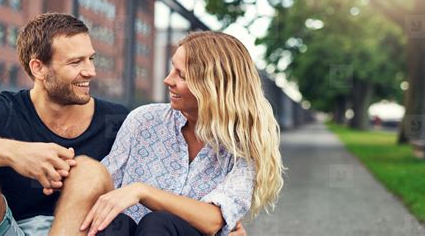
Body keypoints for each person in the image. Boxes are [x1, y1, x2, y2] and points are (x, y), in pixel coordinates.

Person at [80, 31, 284, 236]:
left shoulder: (242, 145)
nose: (168, 80)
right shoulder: (143, 120)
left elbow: (214, 220)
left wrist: (142, 191)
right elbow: (103, 188)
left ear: (214, 87)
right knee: (113, 222)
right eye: (173, 69)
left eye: (182, 75)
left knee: (160, 223)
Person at [0, 13, 130, 235]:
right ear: (38, 68)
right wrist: (15, 153)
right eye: (76, 62)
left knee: (90, 171)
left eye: (91, 59)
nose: (91, 72)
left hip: (79, 228)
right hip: (8, 226)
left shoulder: (117, 120)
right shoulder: (1, 111)